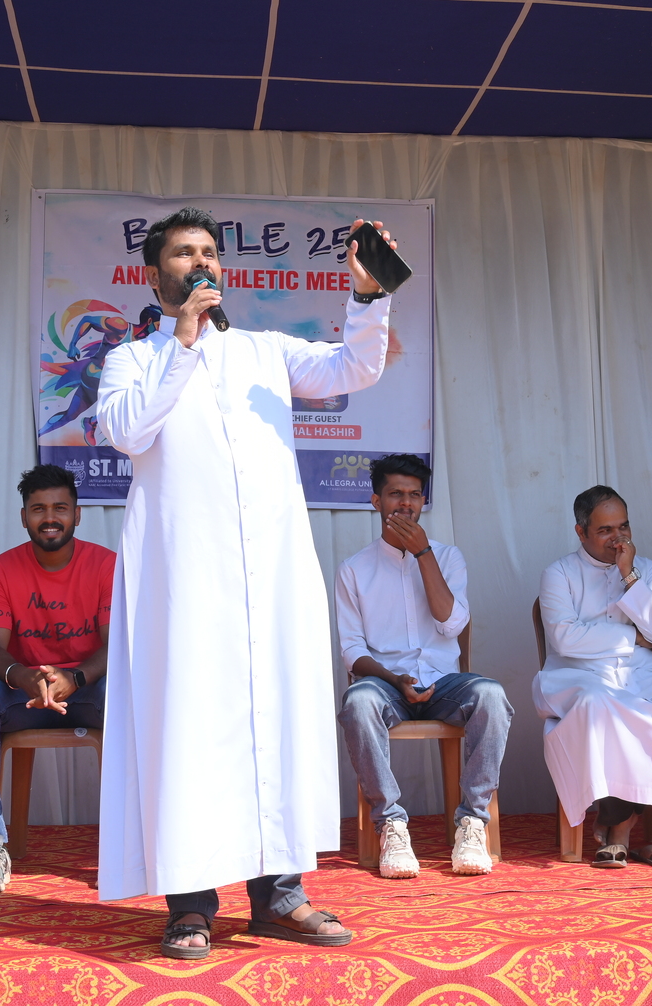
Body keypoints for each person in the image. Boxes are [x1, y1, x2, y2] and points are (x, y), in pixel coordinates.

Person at [95, 207, 398, 960]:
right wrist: (183, 343)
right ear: (154, 276)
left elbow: (353, 369)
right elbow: (127, 432)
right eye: (183, 253)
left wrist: (368, 296)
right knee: (190, 728)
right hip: (184, 584)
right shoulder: (133, 360)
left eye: (208, 251)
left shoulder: (265, 350)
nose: (200, 261)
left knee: (276, 721)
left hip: (270, 578)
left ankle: (279, 897)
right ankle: (191, 904)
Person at [335, 454, 511, 879]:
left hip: (445, 683)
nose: (406, 504)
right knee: (358, 701)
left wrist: (423, 553)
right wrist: (394, 678)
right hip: (387, 685)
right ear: (376, 501)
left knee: (491, 695)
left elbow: (451, 623)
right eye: (395, 494)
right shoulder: (354, 569)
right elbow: (351, 650)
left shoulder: (448, 557)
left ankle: (472, 822)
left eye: (414, 495)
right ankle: (391, 825)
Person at [535, 486, 652, 869]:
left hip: (644, 673)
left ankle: (619, 826)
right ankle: (620, 829)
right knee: (603, 705)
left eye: (624, 527)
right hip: (581, 675)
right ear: (581, 532)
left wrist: (629, 576)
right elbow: (566, 638)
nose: (618, 539)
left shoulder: (647, 571)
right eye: (605, 530)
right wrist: (633, 637)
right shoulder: (559, 573)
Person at [0, 464, 115, 894]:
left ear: (77, 514)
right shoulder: (0, 570)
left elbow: (116, 644)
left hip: (89, 688)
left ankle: (133, 840)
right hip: (21, 693)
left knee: (134, 697)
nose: (50, 517)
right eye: (38, 508)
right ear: (24, 517)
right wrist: (23, 676)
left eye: (60, 507)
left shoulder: (106, 564)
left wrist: (75, 677)